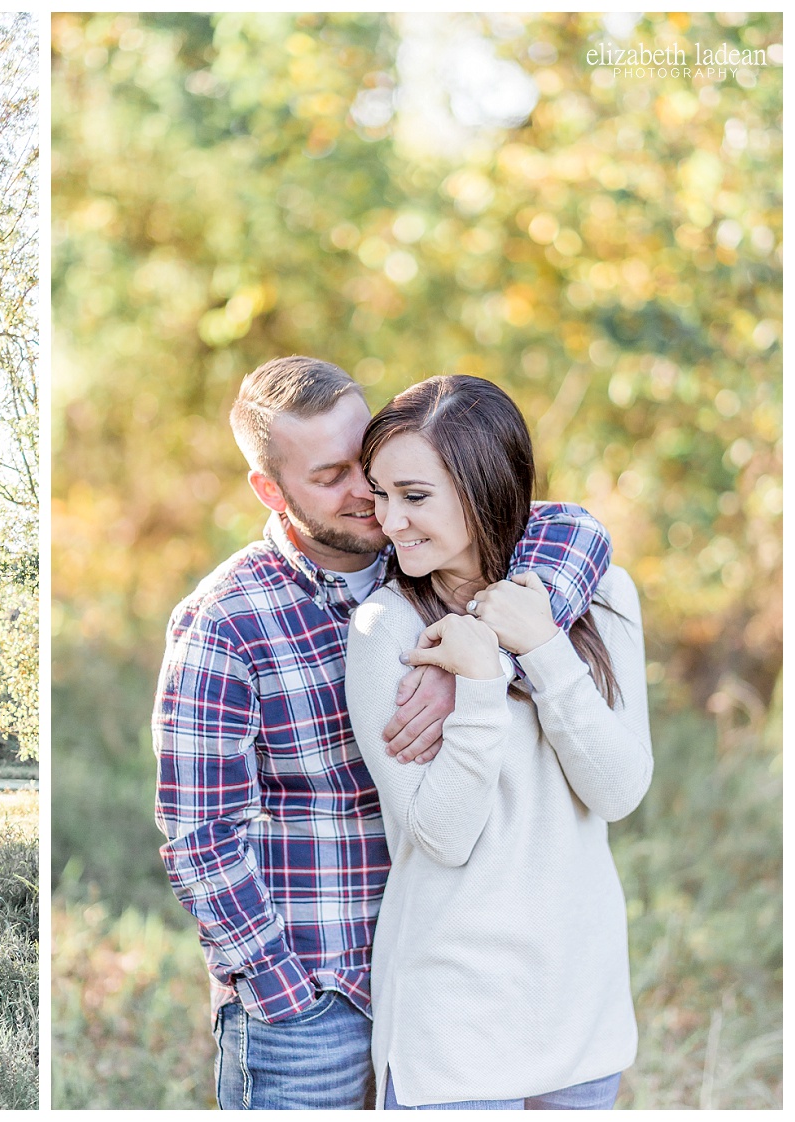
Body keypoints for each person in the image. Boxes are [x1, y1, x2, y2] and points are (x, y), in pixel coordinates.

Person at [152, 356, 613, 1110]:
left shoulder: (421, 562)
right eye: (331, 475)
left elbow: (575, 529)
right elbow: (199, 838)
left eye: (363, 456)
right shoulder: (225, 622)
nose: (366, 492)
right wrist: (282, 991)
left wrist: (475, 647)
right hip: (316, 995)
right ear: (271, 491)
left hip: (440, 977)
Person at [346, 374, 652, 1109]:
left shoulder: (603, 597)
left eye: (414, 497)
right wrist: (480, 683)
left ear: (485, 488)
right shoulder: (385, 628)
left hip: (581, 1008)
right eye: (380, 494)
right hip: (453, 1028)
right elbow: (442, 838)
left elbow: (618, 792)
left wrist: (542, 649)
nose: (390, 521)